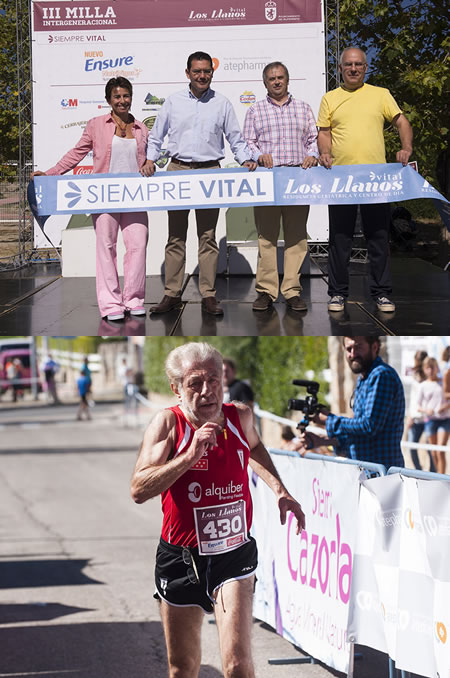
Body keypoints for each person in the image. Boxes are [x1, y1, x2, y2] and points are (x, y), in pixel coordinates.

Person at [131, 342, 305, 678]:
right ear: (176, 389)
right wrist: (190, 455)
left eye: (214, 379)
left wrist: (280, 490)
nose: (207, 391)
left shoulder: (240, 416)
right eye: (195, 383)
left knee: (238, 665)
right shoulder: (168, 425)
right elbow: (139, 489)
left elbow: (254, 446)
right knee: (182, 668)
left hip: (233, 553)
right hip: (181, 558)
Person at [140, 51, 257, 317]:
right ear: (188, 73)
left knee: (208, 237)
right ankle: (172, 294)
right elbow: (156, 138)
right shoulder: (173, 102)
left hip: (209, 173)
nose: (202, 76)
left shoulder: (223, 103)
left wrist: (245, 160)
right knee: (175, 236)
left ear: (212, 73)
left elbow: (235, 139)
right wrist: (149, 160)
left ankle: (208, 295)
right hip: (178, 170)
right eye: (197, 71)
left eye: (206, 71)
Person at [32, 77, 149, 322]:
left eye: (126, 96)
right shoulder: (96, 125)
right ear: (109, 100)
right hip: (104, 195)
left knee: (138, 246)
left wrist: (151, 162)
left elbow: (150, 157)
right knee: (106, 248)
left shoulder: (141, 128)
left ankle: (134, 299)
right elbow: (76, 153)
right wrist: (51, 173)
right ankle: (111, 304)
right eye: (117, 97)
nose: (122, 101)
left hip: (135, 196)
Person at [317, 47, 413, 314]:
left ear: (366, 67)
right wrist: (324, 152)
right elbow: (324, 133)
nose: (353, 69)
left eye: (358, 64)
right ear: (339, 69)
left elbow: (403, 122)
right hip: (342, 181)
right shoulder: (329, 98)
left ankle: (382, 294)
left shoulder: (380, 94)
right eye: (348, 65)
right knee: (340, 240)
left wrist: (406, 148)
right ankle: (337, 294)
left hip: (375, 181)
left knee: (379, 239)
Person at [243, 61, 318, 312]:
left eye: (281, 77)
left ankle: (292, 290)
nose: (276, 81)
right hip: (268, 179)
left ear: (288, 80)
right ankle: (266, 291)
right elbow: (248, 142)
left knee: (297, 237)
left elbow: (314, 140)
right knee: (267, 237)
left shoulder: (304, 108)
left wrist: (313, 155)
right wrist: (258, 154)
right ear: (265, 83)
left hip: (298, 177)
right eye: (272, 78)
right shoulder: (255, 111)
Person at [298, 336, 405, 469]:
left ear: (375, 347)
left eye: (358, 347)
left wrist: (329, 420)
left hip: (382, 475)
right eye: (348, 349)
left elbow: (369, 426)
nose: (353, 354)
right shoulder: (364, 378)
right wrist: (322, 441)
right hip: (367, 471)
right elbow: (360, 436)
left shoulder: (381, 375)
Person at [417, 356, 450, 474]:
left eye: (432, 367)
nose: (430, 371)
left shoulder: (443, 382)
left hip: (445, 419)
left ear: (436, 368)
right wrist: (427, 411)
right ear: (424, 369)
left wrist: (445, 407)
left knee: (440, 449)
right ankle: (438, 476)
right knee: (434, 452)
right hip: (430, 420)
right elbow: (418, 406)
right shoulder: (423, 386)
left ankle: (443, 477)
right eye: (427, 368)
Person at [405, 350, 436, 471]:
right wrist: (410, 416)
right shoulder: (415, 377)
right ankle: (419, 471)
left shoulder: (431, 377)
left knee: (431, 449)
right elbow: (413, 399)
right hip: (416, 418)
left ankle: (432, 473)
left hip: (428, 418)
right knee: (412, 447)